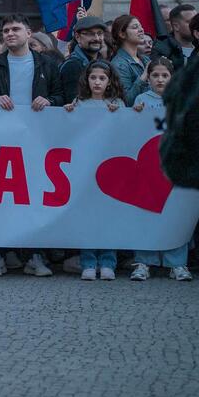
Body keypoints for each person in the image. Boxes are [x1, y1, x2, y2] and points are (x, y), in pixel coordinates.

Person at [0, 14, 63, 278]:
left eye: (15, 29)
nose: (10, 34)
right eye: (6, 30)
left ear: (29, 33)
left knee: (33, 198)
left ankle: (34, 255)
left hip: (36, 140)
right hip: (2, 139)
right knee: (0, 197)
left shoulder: (47, 64)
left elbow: (60, 96)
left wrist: (49, 101)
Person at [130, 57, 193, 281]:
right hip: (148, 165)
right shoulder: (141, 99)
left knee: (175, 214)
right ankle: (143, 261)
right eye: (155, 75)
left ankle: (177, 262)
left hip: (174, 164)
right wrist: (135, 113)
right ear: (148, 78)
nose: (160, 79)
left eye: (165, 75)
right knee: (146, 213)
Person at [64, 61, 126, 280]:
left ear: (109, 81)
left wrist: (122, 114)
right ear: (86, 80)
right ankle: (88, 262)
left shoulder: (117, 104)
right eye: (93, 78)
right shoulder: (79, 103)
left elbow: (126, 130)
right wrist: (68, 113)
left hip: (110, 168)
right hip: (86, 169)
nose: (97, 82)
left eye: (102, 78)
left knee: (109, 216)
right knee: (88, 217)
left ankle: (108, 262)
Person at [60, 15, 105, 103]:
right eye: (90, 34)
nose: (96, 38)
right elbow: (74, 102)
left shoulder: (104, 63)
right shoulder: (72, 66)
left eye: (100, 33)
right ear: (77, 37)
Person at [107, 14, 150, 106]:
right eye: (135, 27)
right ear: (122, 34)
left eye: (141, 26)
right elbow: (126, 101)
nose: (141, 30)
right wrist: (144, 77)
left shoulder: (145, 59)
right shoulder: (118, 64)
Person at [152, 3, 199, 71]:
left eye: (197, 21)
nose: (196, 25)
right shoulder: (162, 50)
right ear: (176, 26)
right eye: (190, 22)